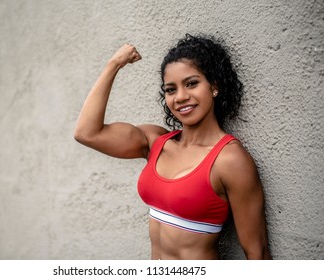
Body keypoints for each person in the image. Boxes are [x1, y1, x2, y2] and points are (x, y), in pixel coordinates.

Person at [74, 34, 271, 260]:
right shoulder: (155, 142)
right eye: (170, 89)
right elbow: (87, 133)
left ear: (214, 87)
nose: (180, 97)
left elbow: (258, 252)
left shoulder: (229, 160)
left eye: (191, 84)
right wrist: (114, 65)